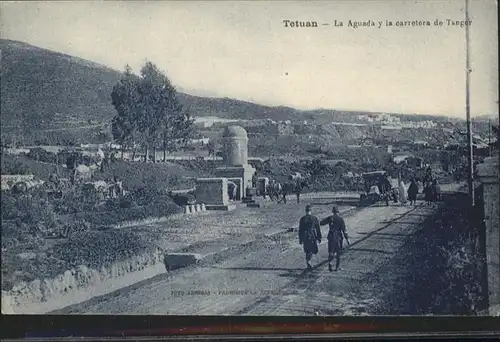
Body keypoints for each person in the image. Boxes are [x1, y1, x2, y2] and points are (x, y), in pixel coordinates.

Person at [320, 206, 350, 272]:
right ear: (338, 212)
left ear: (333, 212)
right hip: (338, 237)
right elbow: (344, 230)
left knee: (331, 251)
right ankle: (337, 267)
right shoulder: (340, 219)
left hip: (331, 237)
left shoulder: (330, 218)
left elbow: (321, 223)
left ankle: (330, 263)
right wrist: (347, 239)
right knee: (338, 253)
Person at [298, 205, 322, 270]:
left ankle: (308, 262)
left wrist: (300, 239)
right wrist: (319, 237)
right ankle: (310, 262)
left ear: (305, 211)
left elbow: (300, 230)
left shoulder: (302, 219)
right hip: (312, 235)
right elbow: (318, 229)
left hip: (305, 236)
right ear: (311, 211)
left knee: (307, 250)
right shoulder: (314, 218)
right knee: (312, 249)